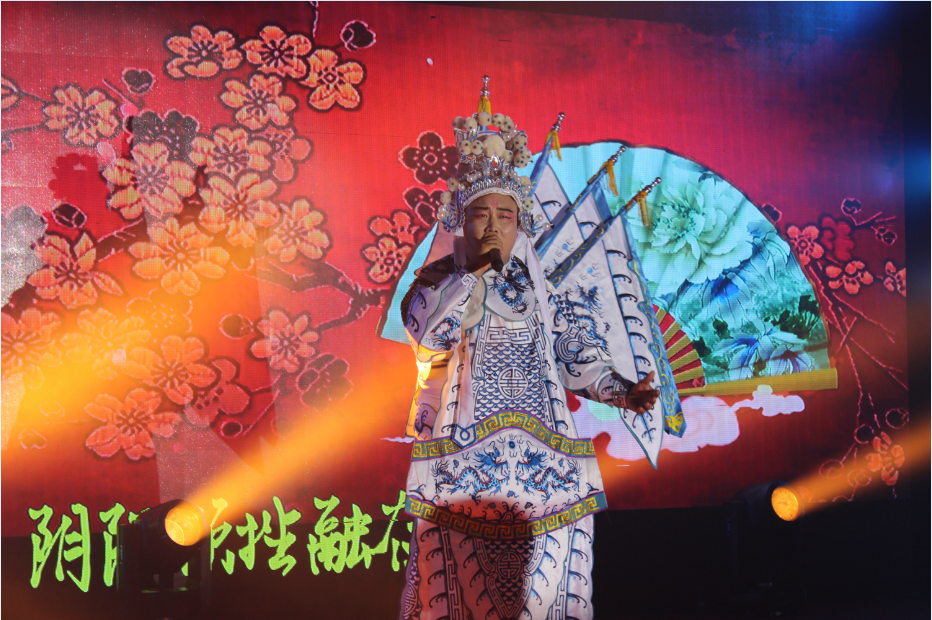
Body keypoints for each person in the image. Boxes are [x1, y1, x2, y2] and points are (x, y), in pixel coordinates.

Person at [397, 85, 659, 620]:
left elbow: (569, 352)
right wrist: (473, 277)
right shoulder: (438, 282)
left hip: (545, 463)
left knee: (550, 592)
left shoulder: (538, 292)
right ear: (463, 221)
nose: (494, 226)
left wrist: (622, 391)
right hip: (467, 462)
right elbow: (432, 335)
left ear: (520, 224)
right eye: (481, 215)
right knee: (459, 590)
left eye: (506, 215)